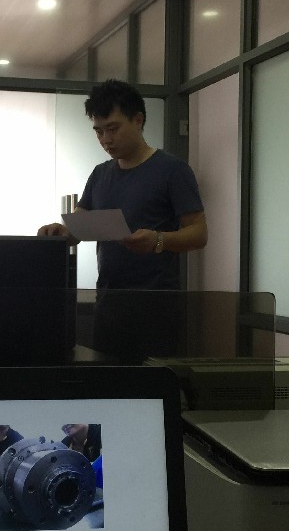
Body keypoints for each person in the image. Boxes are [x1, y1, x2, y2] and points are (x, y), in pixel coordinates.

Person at [38, 79, 207, 359]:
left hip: (156, 308)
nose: (106, 139)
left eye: (113, 128)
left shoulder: (172, 170)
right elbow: (78, 227)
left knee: (150, 382)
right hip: (108, 304)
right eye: (99, 131)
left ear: (138, 120)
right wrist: (60, 232)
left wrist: (159, 240)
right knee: (107, 379)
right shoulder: (100, 173)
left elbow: (199, 233)